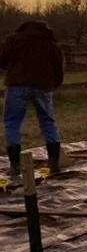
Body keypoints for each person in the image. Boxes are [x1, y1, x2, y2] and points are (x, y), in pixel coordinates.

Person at [0, 21, 64, 177]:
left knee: (12, 123)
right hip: (43, 86)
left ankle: (15, 165)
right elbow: (58, 68)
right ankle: (54, 162)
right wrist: (53, 84)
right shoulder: (51, 44)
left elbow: (2, 60)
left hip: (17, 85)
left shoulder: (14, 40)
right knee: (48, 122)